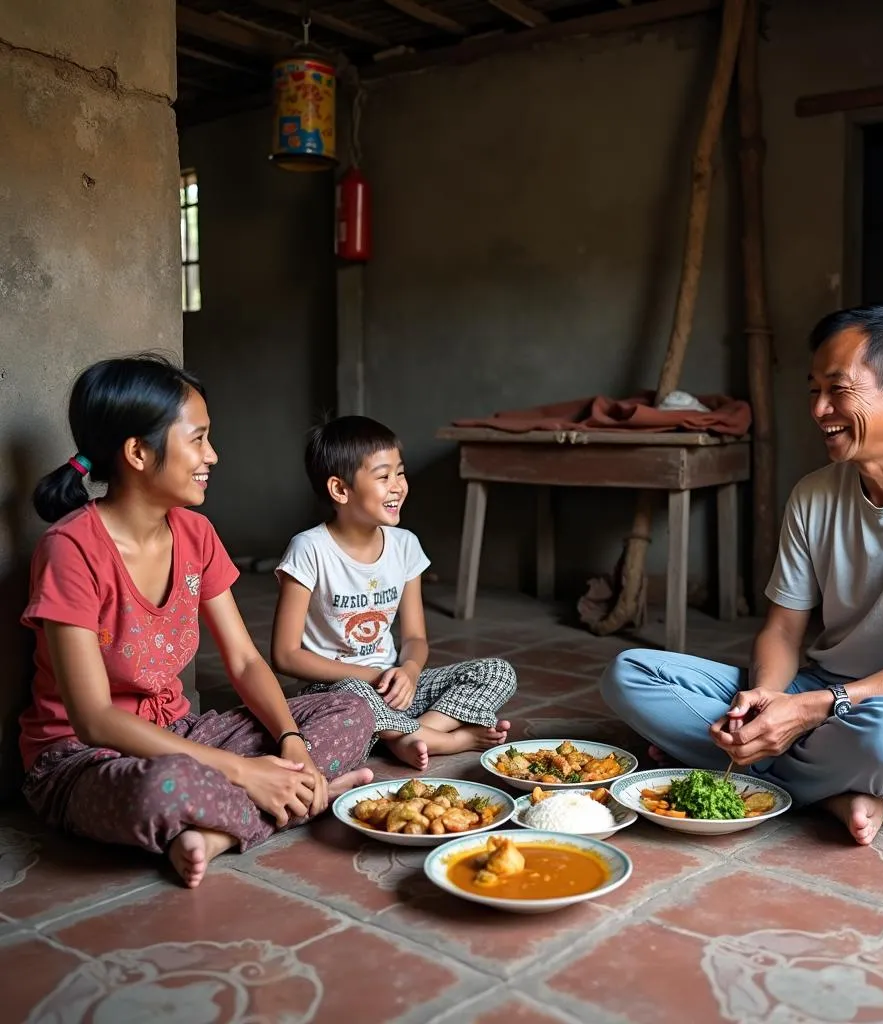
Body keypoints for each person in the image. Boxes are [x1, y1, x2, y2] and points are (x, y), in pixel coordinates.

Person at [600, 304, 883, 846]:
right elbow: (782, 629)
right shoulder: (814, 494)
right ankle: (834, 791)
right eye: (813, 389)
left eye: (838, 389)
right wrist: (769, 703)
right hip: (818, 693)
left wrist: (813, 710)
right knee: (629, 675)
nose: (820, 409)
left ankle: (768, 770)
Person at [19, 356, 376, 889]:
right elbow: (93, 718)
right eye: (199, 439)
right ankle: (306, 798)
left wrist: (290, 739)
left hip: (179, 734)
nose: (213, 455)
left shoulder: (196, 533)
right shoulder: (70, 550)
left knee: (350, 708)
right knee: (161, 790)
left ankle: (218, 834)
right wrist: (241, 770)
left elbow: (244, 659)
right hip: (82, 761)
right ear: (138, 452)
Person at [271, 415, 516, 772]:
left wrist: (410, 672)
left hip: (394, 684)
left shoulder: (405, 546)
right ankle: (446, 739)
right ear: (340, 490)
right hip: (336, 692)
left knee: (498, 672)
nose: (398, 486)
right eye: (383, 477)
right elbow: (285, 655)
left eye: (400, 473)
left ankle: (404, 736)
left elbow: (415, 637)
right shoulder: (310, 549)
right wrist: (370, 677)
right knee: (353, 699)